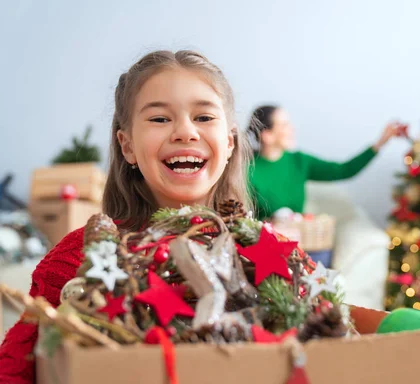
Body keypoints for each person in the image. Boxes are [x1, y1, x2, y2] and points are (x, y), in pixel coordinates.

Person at [0, 50, 251, 383]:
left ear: (230, 141)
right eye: (159, 119)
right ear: (127, 145)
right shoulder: (77, 258)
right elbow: (18, 368)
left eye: (204, 117)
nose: (185, 132)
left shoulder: (272, 255)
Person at [248, 105, 405, 219]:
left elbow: (344, 170)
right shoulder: (248, 169)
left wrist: (380, 143)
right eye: (284, 125)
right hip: (265, 246)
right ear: (267, 135)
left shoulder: (299, 161)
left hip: (298, 244)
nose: (292, 129)